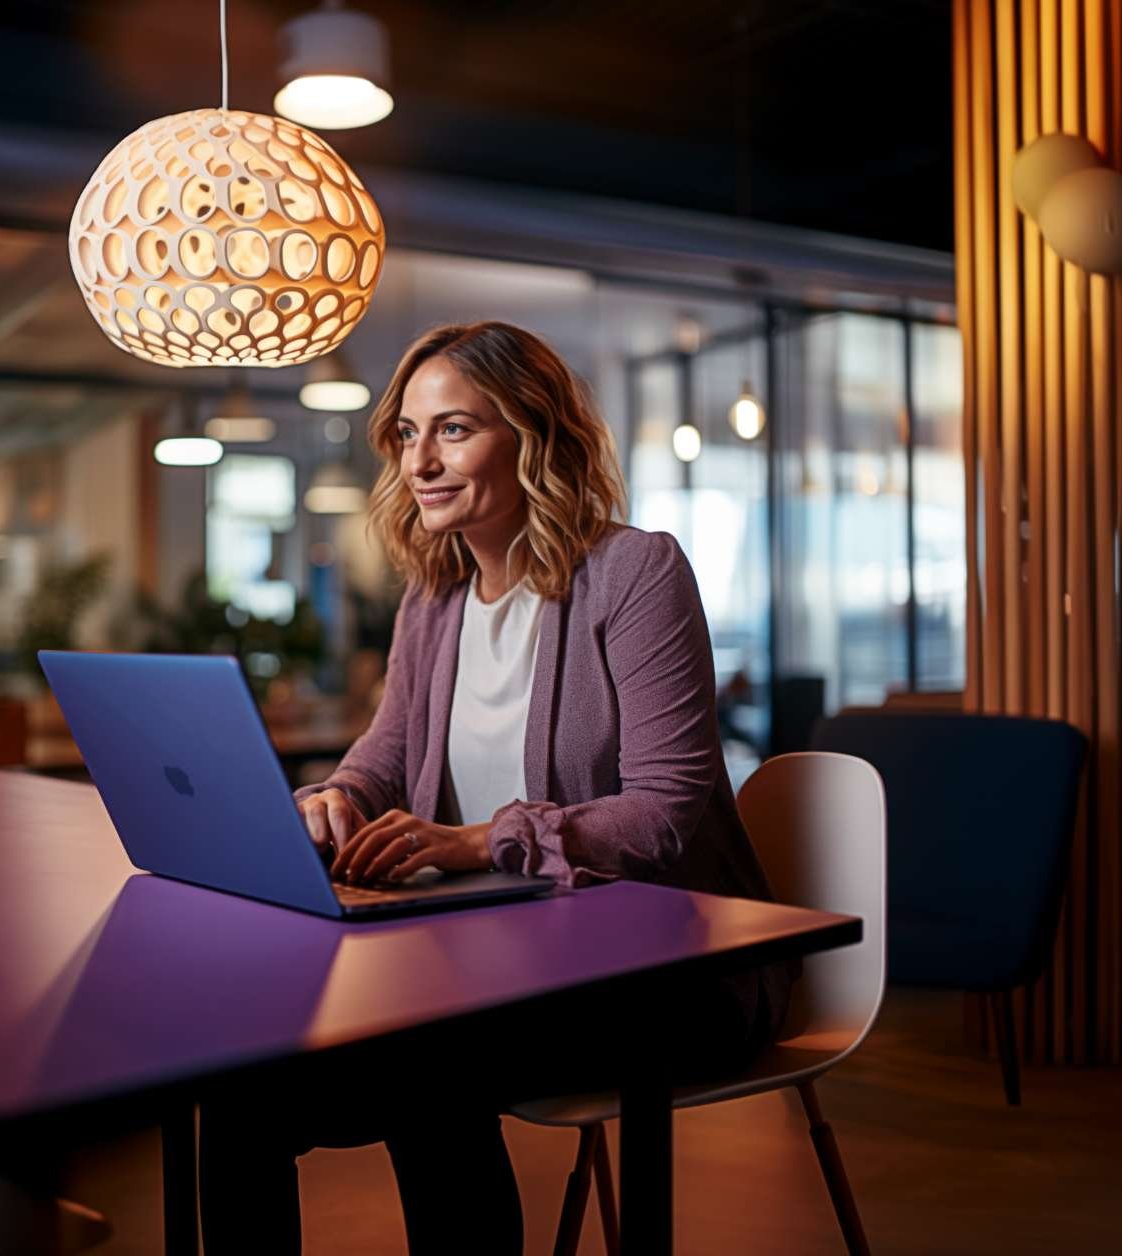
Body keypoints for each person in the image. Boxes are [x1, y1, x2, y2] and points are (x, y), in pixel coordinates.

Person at [198, 322, 791, 1254]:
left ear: (535, 434)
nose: (422, 461)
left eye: (455, 430)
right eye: (408, 433)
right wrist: (337, 797)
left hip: (663, 972)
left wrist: (477, 842)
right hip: (487, 960)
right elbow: (384, 753)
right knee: (240, 1075)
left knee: (422, 1058)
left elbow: (666, 808)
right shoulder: (432, 601)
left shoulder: (635, 573)